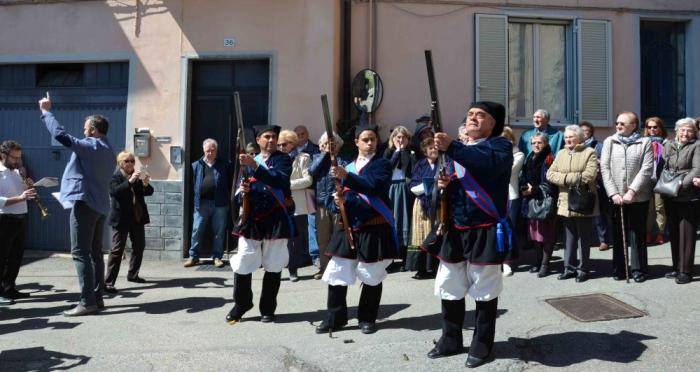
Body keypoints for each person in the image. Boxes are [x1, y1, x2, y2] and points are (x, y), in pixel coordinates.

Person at [425, 102, 512, 368]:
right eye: (470, 114)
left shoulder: (500, 146)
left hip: (484, 228)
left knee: (485, 290)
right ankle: (450, 339)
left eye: (480, 115)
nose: (473, 118)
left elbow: (484, 164)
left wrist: (452, 146)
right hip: (454, 229)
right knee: (450, 287)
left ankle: (482, 344)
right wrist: (441, 187)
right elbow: (446, 192)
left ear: (493, 123)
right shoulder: (457, 153)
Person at [315, 124, 397, 335]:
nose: (370, 143)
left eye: (373, 139)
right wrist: (337, 201)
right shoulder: (347, 167)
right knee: (336, 273)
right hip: (347, 226)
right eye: (366, 139)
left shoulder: (383, 165)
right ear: (357, 142)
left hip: (373, 227)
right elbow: (332, 201)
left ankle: (367, 318)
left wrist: (346, 177)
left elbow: (372, 187)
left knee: (371, 275)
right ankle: (335, 317)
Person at [39, 94, 116, 316]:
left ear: (93, 130)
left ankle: (87, 301)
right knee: (94, 253)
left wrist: (46, 112)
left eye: (85, 128)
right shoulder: (109, 150)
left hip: (86, 205)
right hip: (100, 206)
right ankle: (97, 298)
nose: (83, 131)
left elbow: (60, 135)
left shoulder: (91, 145)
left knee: (80, 253)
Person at [226, 125, 294, 324]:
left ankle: (268, 308)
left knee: (273, 264)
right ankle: (241, 304)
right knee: (244, 260)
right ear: (258, 140)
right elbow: (238, 192)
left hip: (275, 217)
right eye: (267, 137)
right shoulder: (248, 161)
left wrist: (255, 167)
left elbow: (279, 180)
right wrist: (243, 191)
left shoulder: (283, 160)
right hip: (252, 217)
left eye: (274, 137)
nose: (271, 140)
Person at [600, 111, 653, 282]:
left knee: (637, 234)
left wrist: (632, 191)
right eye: (617, 123)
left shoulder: (644, 142)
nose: (618, 126)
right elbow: (605, 168)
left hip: (638, 197)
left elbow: (646, 169)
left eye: (622, 123)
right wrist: (613, 192)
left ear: (633, 125)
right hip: (616, 197)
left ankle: (638, 269)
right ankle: (620, 269)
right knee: (618, 233)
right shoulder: (610, 141)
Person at [546, 125, 599, 283]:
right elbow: (550, 174)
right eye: (566, 137)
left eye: (571, 137)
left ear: (580, 138)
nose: (568, 139)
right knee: (568, 238)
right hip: (564, 201)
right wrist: (570, 179)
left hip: (583, 201)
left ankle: (583, 269)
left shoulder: (589, 152)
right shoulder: (561, 153)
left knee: (584, 238)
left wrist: (563, 178)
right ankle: (568, 268)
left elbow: (589, 176)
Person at [104, 151, 154, 293]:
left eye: (132, 161)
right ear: (120, 163)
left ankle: (133, 275)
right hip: (121, 218)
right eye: (127, 161)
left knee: (139, 246)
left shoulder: (137, 176)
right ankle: (108, 282)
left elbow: (149, 192)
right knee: (116, 250)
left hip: (136, 217)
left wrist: (145, 184)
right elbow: (114, 192)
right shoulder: (115, 177)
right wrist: (130, 181)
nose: (131, 163)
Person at [661, 118, 700, 284]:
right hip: (670, 193)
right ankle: (676, 267)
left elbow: (697, 168)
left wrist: (681, 184)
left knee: (687, 233)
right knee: (674, 232)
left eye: (689, 130)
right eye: (682, 130)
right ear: (676, 131)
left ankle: (686, 271)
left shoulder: (697, 145)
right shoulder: (669, 144)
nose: (685, 133)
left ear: (694, 132)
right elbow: (664, 165)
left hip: (687, 194)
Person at [185, 139, 232, 268]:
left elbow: (230, 182)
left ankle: (217, 257)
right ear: (203, 151)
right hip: (202, 204)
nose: (210, 153)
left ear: (216, 151)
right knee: (197, 230)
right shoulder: (196, 165)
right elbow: (193, 183)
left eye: (213, 150)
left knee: (219, 232)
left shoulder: (225, 164)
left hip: (220, 204)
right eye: (207, 151)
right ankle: (193, 257)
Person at [0, 140, 36, 305]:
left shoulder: (18, 171)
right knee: (2, 257)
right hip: (5, 219)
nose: (17, 161)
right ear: (3, 155)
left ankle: (10, 288)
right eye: (14, 158)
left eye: (19, 158)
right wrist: (20, 198)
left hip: (21, 216)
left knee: (16, 257)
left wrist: (29, 185)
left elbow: (25, 191)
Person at [278, 129, 313, 282]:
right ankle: (276, 270)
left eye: (284, 144)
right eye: (279, 145)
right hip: (278, 204)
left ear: (292, 143)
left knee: (295, 241)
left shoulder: (303, 158)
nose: (280, 147)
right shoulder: (276, 159)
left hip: (296, 205)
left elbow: (308, 180)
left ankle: (293, 270)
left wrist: (286, 185)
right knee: (278, 239)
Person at [520, 134, 557, 277]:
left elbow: (551, 183)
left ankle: (545, 265)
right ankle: (538, 261)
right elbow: (524, 176)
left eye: (539, 142)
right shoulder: (530, 157)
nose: (536, 145)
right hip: (531, 200)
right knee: (534, 235)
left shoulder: (549, 158)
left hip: (544, 201)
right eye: (533, 143)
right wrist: (525, 187)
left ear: (546, 143)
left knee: (546, 235)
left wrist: (534, 190)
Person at [383, 126, 416, 271]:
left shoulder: (411, 152)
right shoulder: (388, 152)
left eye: (404, 137)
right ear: (393, 139)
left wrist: (403, 151)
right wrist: (397, 150)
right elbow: (388, 167)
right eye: (398, 137)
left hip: (404, 188)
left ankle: (404, 259)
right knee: (391, 222)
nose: (401, 140)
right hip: (391, 188)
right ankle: (389, 260)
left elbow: (410, 169)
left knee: (404, 221)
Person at [408, 137, 439, 279]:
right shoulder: (420, 165)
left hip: (438, 205)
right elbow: (413, 187)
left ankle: (434, 267)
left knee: (435, 235)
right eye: (431, 148)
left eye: (436, 147)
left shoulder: (443, 164)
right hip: (421, 205)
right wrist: (431, 185)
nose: (434, 150)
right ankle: (420, 268)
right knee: (419, 235)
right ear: (425, 151)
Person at [292, 125, 321, 270]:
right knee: (298, 227)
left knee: (311, 225)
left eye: (302, 134)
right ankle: (300, 257)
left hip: (310, 192)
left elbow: (314, 172)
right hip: (295, 195)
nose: (300, 137)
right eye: (297, 135)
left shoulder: (315, 149)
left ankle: (314, 257)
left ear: (307, 134)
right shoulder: (290, 151)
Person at [580, 121, 612, 252]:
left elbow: (606, 163)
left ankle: (604, 240)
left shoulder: (598, 146)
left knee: (598, 214)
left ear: (591, 132)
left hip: (597, 183)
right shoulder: (576, 146)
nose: (583, 133)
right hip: (581, 184)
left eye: (586, 131)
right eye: (581, 131)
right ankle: (585, 240)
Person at [501, 127, 524, 277]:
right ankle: (496, 260)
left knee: (509, 229)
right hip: (495, 196)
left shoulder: (518, 154)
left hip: (511, 196)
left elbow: (508, 171)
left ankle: (507, 262)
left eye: (505, 139)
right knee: (496, 230)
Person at [643, 117, 669, 245]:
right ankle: (647, 233)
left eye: (655, 127)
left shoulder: (666, 143)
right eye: (649, 127)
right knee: (648, 208)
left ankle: (660, 233)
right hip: (646, 180)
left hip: (660, 180)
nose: (652, 129)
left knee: (660, 208)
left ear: (660, 128)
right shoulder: (642, 143)